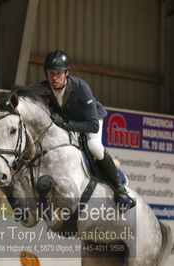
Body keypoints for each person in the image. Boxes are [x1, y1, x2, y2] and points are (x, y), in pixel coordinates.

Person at [41, 50, 135, 211]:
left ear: (67, 73)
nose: (54, 78)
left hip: (91, 120)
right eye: (51, 73)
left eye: (58, 73)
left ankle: (120, 189)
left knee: (94, 147)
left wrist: (65, 124)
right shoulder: (43, 89)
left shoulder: (81, 87)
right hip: (67, 123)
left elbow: (93, 125)